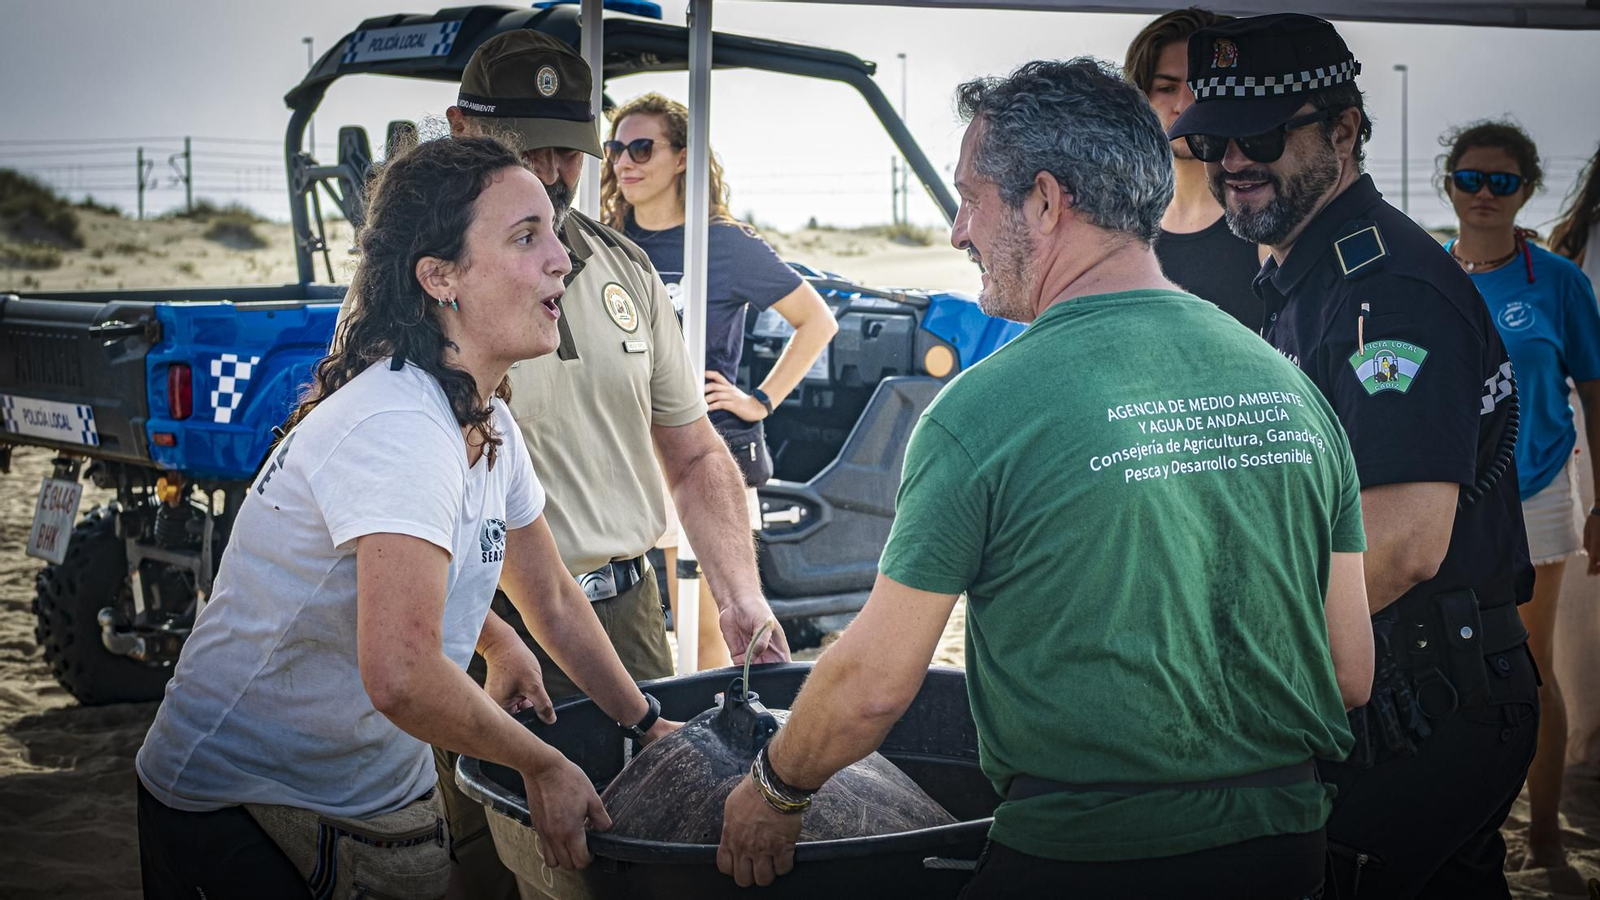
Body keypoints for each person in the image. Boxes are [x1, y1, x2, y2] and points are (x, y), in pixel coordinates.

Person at [716, 57, 1373, 898]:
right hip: (1285, 853)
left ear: (1047, 200)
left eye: (970, 197)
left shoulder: (982, 410)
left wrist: (774, 786)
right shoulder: (1292, 393)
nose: (958, 230)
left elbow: (874, 686)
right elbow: (1348, 671)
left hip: (1085, 856)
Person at [135, 136, 676, 899]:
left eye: (554, 232)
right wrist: (540, 762)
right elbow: (401, 672)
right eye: (528, 237)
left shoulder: (486, 419)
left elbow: (548, 594)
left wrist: (643, 723)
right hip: (243, 806)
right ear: (440, 277)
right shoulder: (398, 425)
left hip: (367, 789)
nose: (563, 258)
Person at [1169, 14, 1539, 897]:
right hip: (1408, 681)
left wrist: (1228, 657)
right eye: (1213, 140)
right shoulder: (1312, 271)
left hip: (1426, 693)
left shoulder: (1386, 292)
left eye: (1260, 136)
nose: (1231, 162)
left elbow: (1403, 542)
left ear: (1342, 131)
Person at [431, 31, 791, 897]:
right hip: (483, 626)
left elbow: (694, 447)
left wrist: (741, 593)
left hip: (625, 617)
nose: (555, 171)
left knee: (632, 864)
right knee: (477, 865)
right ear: (463, 126)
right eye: (530, 146)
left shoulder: (620, 267)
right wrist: (486, 634)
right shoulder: (430, 281)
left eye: (571, 149)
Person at [599, 92, 839, 669]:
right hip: (617, 452)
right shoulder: (602, 241)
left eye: (641, 147)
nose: (623, 162)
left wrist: (759, 400)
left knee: (708, 639)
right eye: (614, 149)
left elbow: (817, 321)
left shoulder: (724, 245)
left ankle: (709, 752)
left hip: (700, 455)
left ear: (682, 157)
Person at [1442, 120, 1600, 870]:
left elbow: (1596, 396)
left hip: (1538, 496)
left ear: (1526, 190)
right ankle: (1468, 831)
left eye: (1501, 181)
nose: (1483, 194)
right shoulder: (1426, 276)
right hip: (1451, 501)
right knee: (1454, 663)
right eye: (1469, 178)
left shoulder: (1561, 283)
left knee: (1531, 667)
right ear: (1449, 186)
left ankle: (1543, 839)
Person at [1123, 7, 1266, 331]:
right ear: (1140, 98)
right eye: (1167, 87)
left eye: (1202, 87)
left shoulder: (1266, 218)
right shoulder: (1119, 224)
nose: (1185, 105)